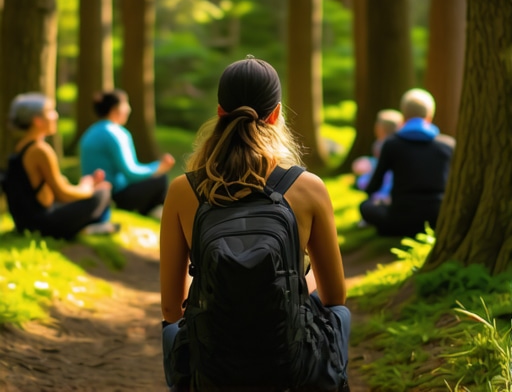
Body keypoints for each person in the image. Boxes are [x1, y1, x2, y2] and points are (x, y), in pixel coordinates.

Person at [160, 56, 350, 391]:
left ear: (220, 112)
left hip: (213, 372)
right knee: (341, 315)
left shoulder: (183, 190)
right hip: (291, 369)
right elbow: (335, 295)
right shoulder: (308, 187)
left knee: (172, 331)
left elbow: (171, 308)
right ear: (276, 114)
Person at [3, 93, 116, 239]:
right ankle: (93, 226)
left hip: (26, 222)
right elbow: (62, 194)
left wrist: (85, 184)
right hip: (41, 225)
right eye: (50, 111)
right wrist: (90, 189)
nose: (55, 115)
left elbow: (57, 185)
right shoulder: (40, 150)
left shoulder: (22, 147)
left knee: (97, 193)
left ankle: (93, 226)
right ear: (37, 120)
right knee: (102, 193)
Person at [359, 88, 455, 238]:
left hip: (400, 218)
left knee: (365, 207)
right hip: (438, 217)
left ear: (403, 116)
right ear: (430, 115)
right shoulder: (448, 145)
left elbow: (374, 186)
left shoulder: (392, 144)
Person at [79, 89, 175, 217]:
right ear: (116, 109)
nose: (129, 109)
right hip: (115, 196)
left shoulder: (90, 131)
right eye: (126, 104)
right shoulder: (116, 133)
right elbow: (131, 173)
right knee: (160, 179)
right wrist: (158, 168)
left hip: (94, 192)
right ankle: (158, 212)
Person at [352, 108, 403, 202]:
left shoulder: (381, 145)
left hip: (383, 184)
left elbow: (380, 169)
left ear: (379, 128)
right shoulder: (400, 144)